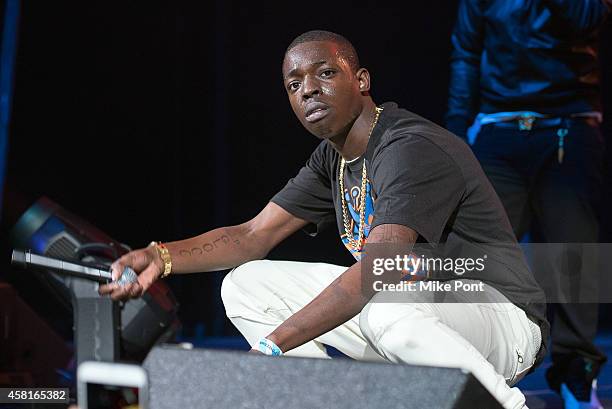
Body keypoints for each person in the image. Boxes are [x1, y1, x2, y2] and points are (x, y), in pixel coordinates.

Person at [100, 30, 548, 409]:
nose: (308, 89)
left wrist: (274, 346)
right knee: (245, 284)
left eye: (325, 74)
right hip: (412, 316)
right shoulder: (331, 159)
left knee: (383, 303)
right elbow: (252, 236)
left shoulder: (410, 146)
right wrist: (162, 257)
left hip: (502, 322)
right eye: (293, 85)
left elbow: (378, 272)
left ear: (362, 80)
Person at [445, 1, 611, 408]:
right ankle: (470, 366)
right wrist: (454, 137)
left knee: (574, 257)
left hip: (567, 128)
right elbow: (467, 52)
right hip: (499, 131)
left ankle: (576, 377)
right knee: (477, 256)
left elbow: (587, 16)